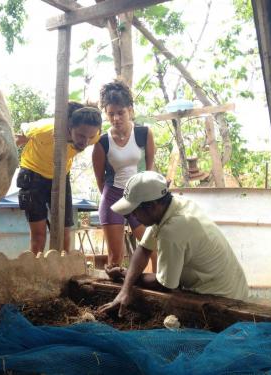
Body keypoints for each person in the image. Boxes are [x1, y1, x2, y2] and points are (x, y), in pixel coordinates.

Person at [100, 171, 249, 317]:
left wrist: (124, 276)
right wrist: (125, 289)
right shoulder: (171, 206)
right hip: (231, 287)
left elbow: (164, 284)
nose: (131, 216)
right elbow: (144, 249)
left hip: (223, 299)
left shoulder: (173, 229)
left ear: (151, 206)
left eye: (133, 211)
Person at [15, 103, 102, 254]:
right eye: (81, 135)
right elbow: (24, 129)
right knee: (39, 235)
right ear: (69, 126)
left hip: (61, 175)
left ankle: (62, 274)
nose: (85, 142)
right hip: (33, 173)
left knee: (64, 233)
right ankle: (38, 274)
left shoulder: (94, 135)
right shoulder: (45, 130)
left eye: (90, 137)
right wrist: (22, 139)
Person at [92, 80, 156, 272]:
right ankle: (113, 295)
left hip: (138, 198)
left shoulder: (144, 133)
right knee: (115, 257)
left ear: (130, 110)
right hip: (113, 197)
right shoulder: (102, 142)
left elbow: (150, 168)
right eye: (111, 114)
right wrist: (112, 197)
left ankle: (159, 287)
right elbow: (100, 180)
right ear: (105, 113)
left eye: (121, 113)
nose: (116, 118)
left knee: (152, 248)